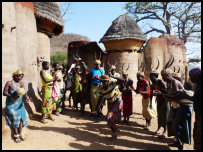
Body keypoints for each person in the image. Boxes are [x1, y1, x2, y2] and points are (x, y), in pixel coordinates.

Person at [3, 70, 30, 143]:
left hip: (19, 104)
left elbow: (24, 92)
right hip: (11, 104)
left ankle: (20, 134)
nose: (21, 78)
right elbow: (4, 93)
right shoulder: (9, 83)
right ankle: (16, 135)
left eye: (21, 76)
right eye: (19, 76)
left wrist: (27, 97)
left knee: (21, 118)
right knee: (15, 117)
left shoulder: (21, 83)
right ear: (15, 76)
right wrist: (12, 95)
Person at [95, 74, 123, 140]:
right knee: (108, 120)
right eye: (103, 81)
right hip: (111, 103)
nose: (104, 82)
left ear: (108, 81)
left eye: (106, 81)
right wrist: (96, 110)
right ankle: (115, 132)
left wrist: (113, 76)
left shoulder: (113, 84)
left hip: (118, 102)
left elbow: (122, 80)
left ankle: (116, 130)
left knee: (109, 117)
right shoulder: (101, 89)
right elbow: (99, 100)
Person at [149, 70, 169, 138]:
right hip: (159, 101)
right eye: (150, 76)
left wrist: (159, 93)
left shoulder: (160, 82)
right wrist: (151, 103)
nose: (150, 77)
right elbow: (151, 94)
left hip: (165, 101)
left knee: (165, 116)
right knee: (159, 115)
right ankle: (159, 128)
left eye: (151, 76)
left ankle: (165, 131)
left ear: (156, 76)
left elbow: (166, 91)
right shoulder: (152, 84)